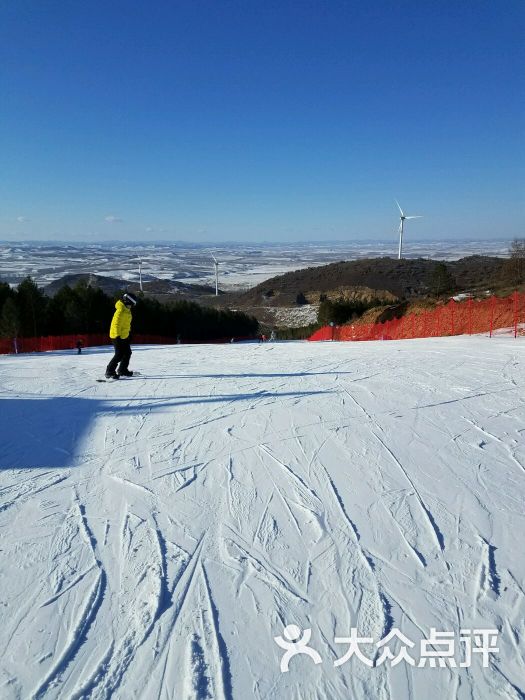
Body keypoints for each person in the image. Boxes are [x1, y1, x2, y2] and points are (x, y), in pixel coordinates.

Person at [105, 292, 137, 379]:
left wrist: (129, 333)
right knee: (119, 354)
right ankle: (109, 371)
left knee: (127, 353)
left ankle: (122, 370)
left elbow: (127, 325)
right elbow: (116, 324)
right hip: (117, 336)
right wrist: (117, 336)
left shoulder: (127, 311)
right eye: (131, 305)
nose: (131, 307)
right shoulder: (120, 311)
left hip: (124, 336)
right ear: (127, 302)